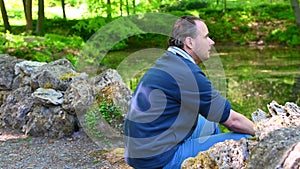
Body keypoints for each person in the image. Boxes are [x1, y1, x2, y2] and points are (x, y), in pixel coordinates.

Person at [124, 15, 255, 169]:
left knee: (210, 120)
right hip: (159, 159)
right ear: (189, 42)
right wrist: (263, 131)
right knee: (247, 139)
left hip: (140, 153)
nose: (212, 42)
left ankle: (211, 163)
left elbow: (218, 112)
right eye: (206, 37)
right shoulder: (187, 74)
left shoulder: (170, 61)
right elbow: (232, 121)